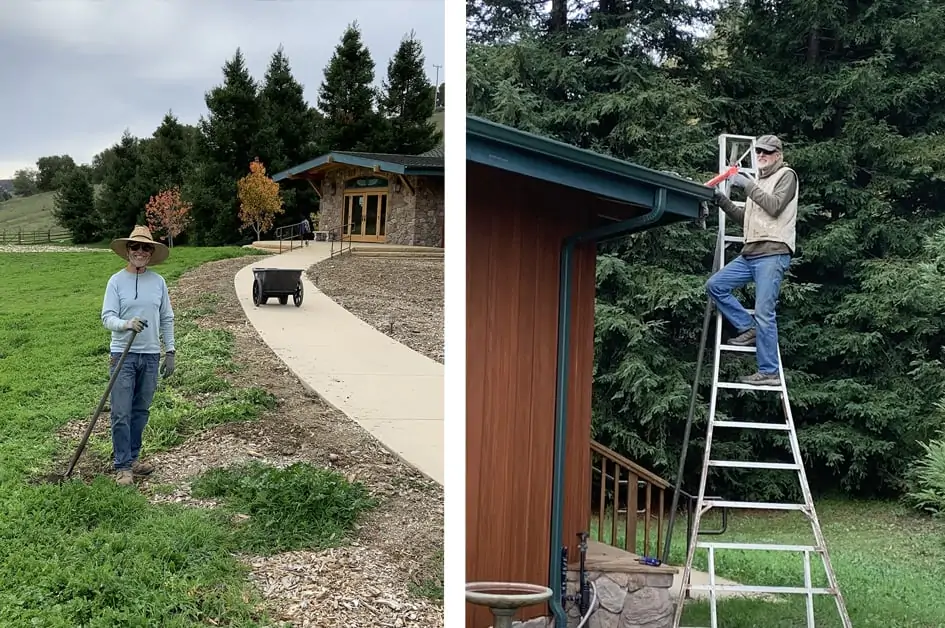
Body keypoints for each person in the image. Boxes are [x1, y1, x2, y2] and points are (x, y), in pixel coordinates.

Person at [707, 134, 798, 387]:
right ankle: (748, 327)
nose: (761, 156)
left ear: (778, 155)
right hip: (751, 253)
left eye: (767, 152)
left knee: (765, 313)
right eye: (758, 152)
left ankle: (768, 372)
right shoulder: (760, 182)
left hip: (773, 252)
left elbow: (775, 206)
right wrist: (721, 199)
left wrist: (745, 184)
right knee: (715, 285)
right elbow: (745, 218)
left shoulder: (786, 176)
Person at [101, 225, 176, 486]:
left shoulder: (158, 282)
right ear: (128, 251)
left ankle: (132, 458)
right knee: (121, 412)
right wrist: (125, 324)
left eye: (146, 247)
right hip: (123, 355)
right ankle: (122, 466)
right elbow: (107, 317)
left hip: (151, 355)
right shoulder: (116, 281)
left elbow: (167, 317)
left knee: (140, 410)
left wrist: (170, 351)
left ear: (151, 252)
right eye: (136, 247)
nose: (140, 251)